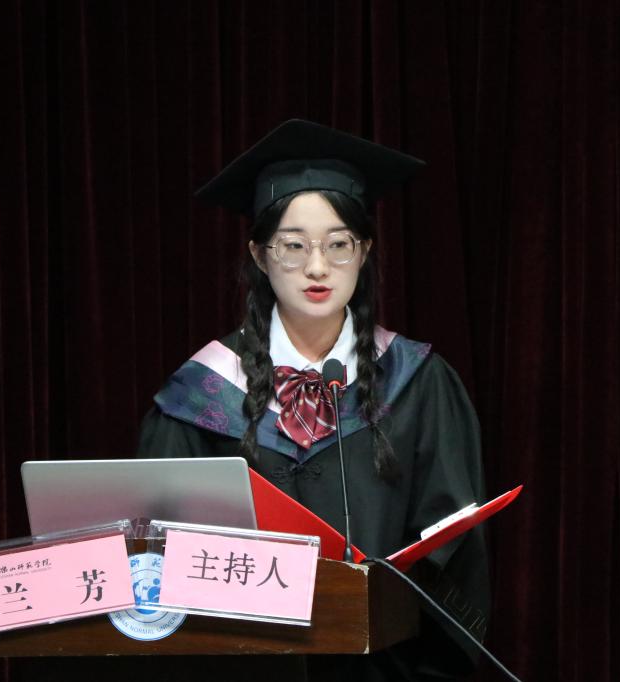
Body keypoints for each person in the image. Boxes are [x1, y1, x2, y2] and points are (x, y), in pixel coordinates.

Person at [138, 119, 490, 681]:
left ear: (364, 250)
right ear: (259, 255)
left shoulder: (419, 383)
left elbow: (454, 552)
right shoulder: (200, 394)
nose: (318, 266)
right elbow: (158, 556)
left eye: (338, 244)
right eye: (293, 245)